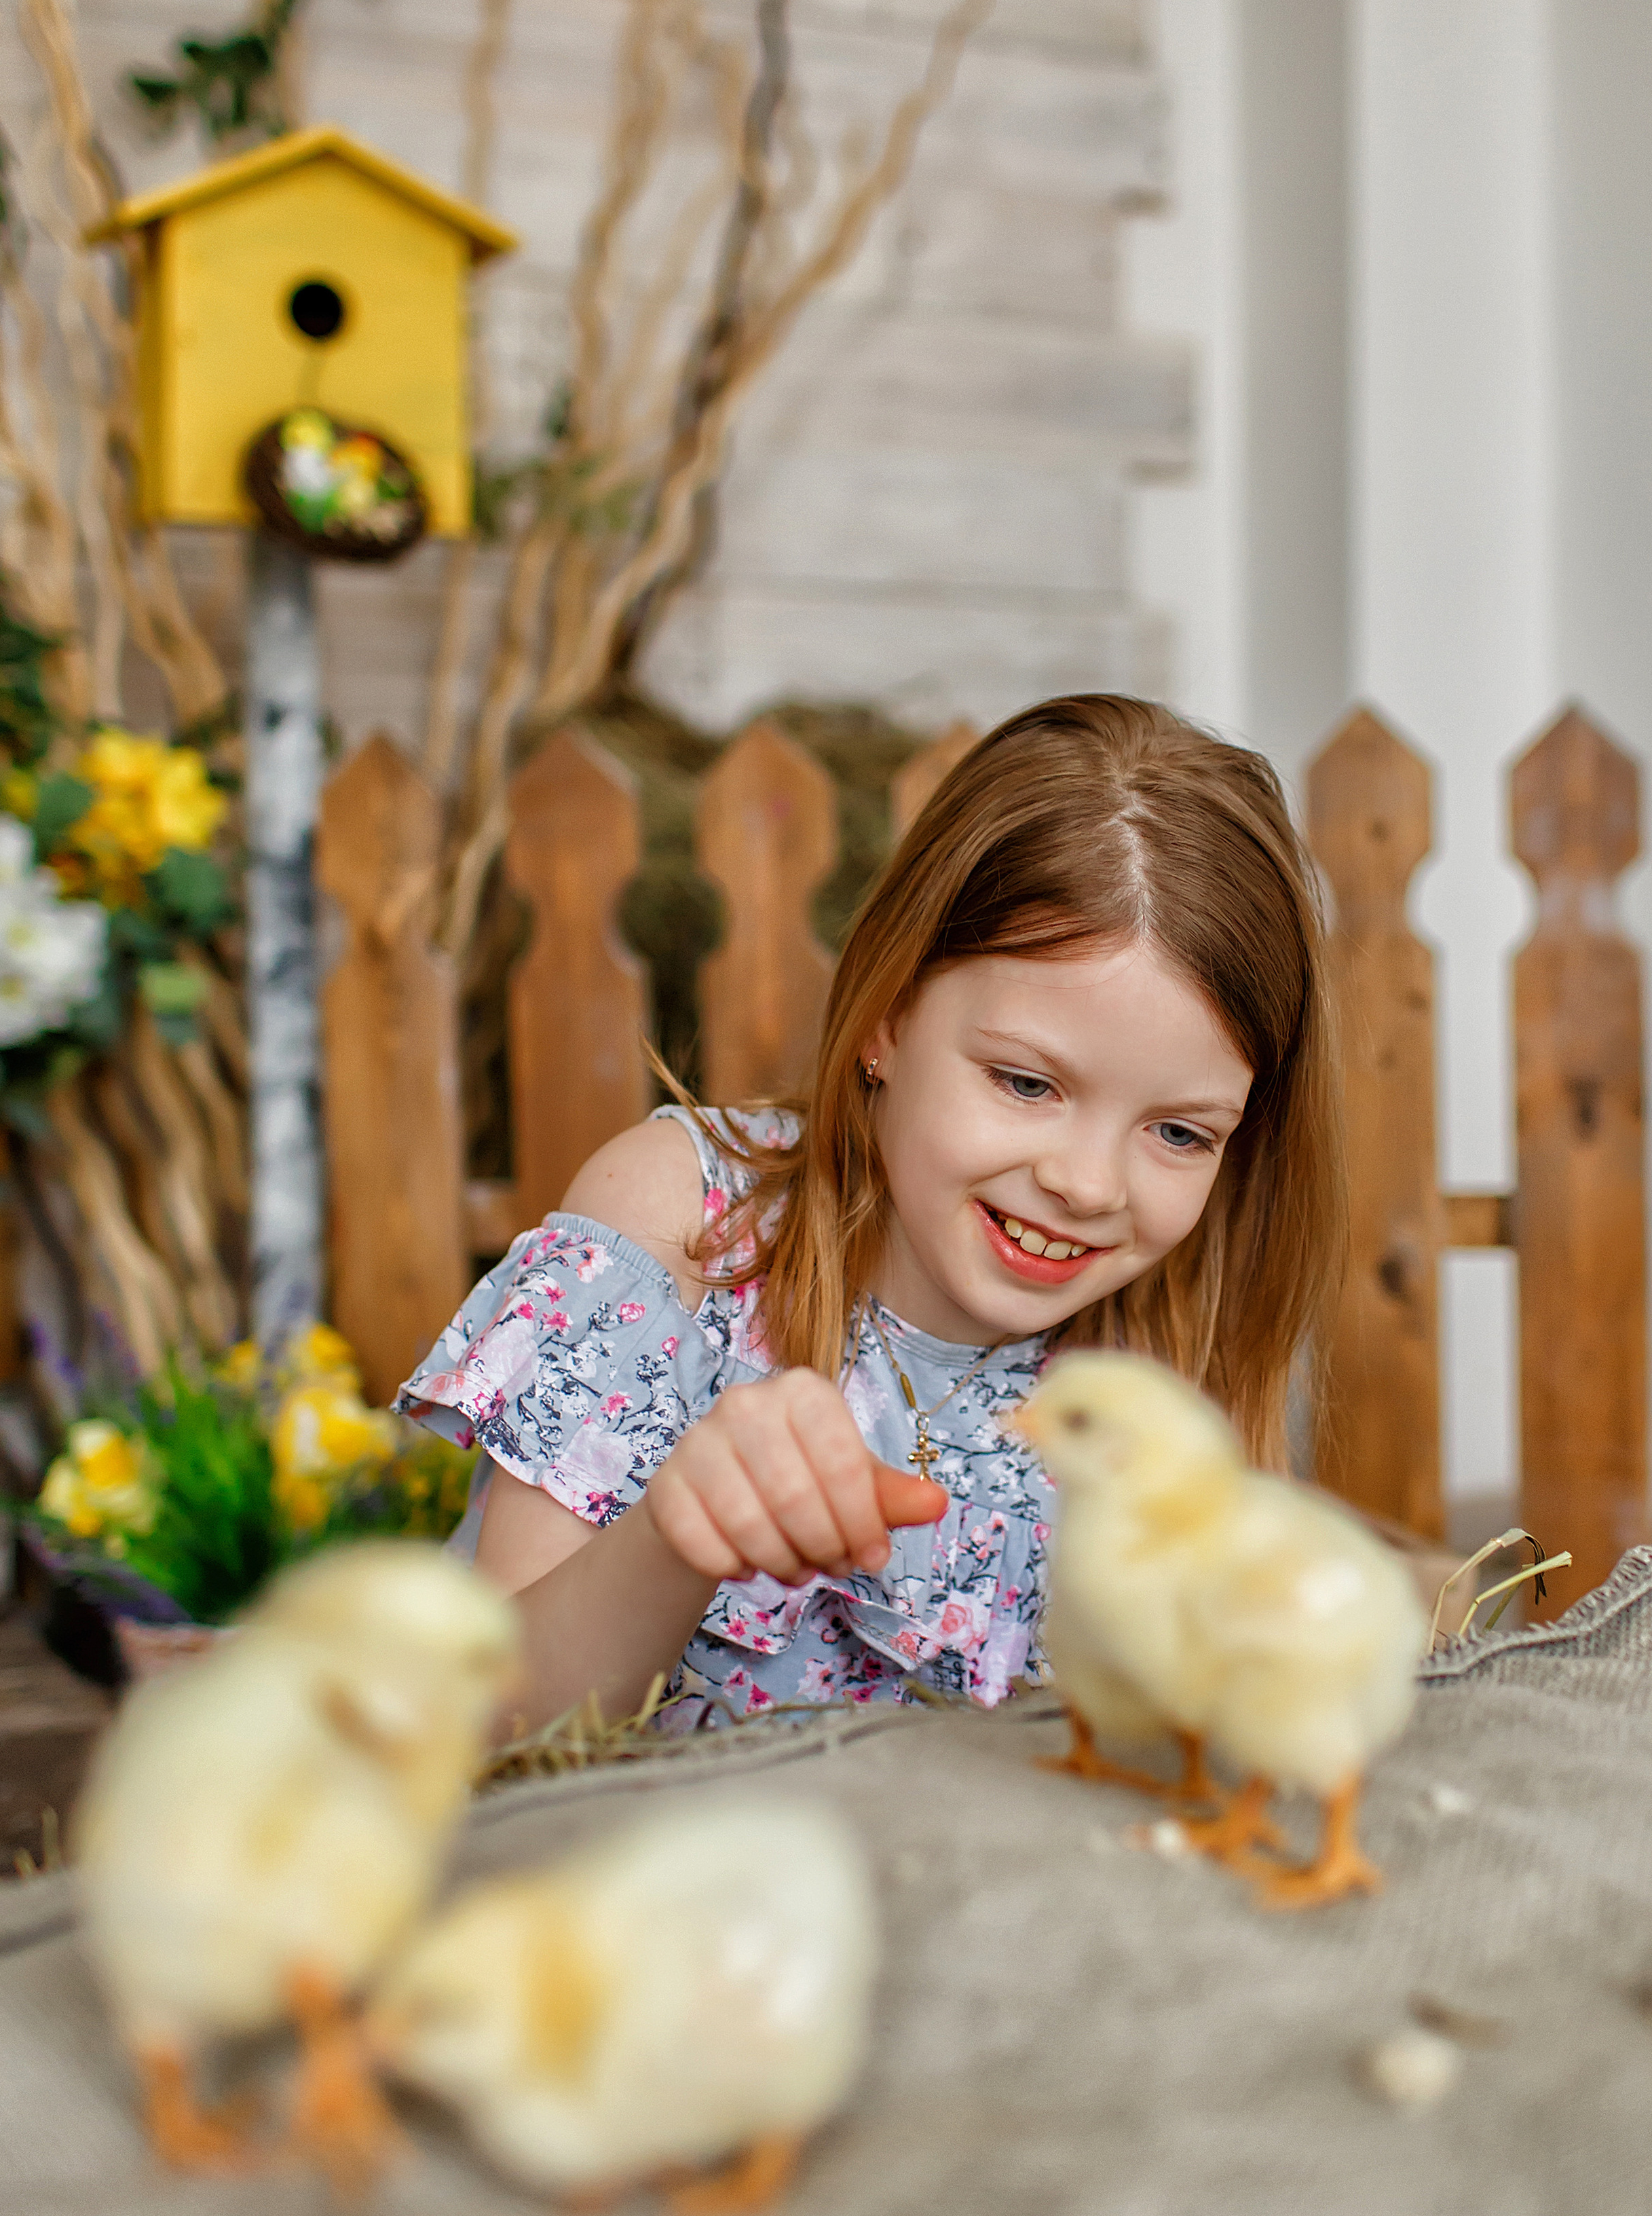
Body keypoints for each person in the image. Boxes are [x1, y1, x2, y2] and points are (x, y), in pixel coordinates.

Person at [397, 693, 1346, 1731]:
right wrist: (676, 1534)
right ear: (888, 1016)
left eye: (1180, 1134)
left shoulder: (1163, 1365)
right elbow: (495, 1730)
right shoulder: (686, 1225)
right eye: (1027, 1084)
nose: (1088, 1185)